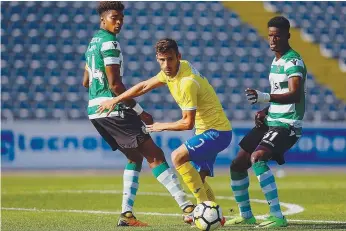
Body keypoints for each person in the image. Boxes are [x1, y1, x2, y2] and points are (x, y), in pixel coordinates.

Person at [97, 38, 232, 225]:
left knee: (177, 156)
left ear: (178, 57)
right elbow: (144, 86)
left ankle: (199, 212)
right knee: (199, 179)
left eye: (170, 59)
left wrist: (161, 126)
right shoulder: (171, 72)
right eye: (162, 60)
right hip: (208, 130)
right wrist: (116, 99)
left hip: (217, 132)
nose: (166, 65)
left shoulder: (187, 82)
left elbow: (187, 123)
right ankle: (216, 217)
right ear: (157, 59)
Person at [83, 2, 194, 227]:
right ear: (103, 19)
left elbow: (86, 82)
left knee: (135, 157)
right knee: (155, 155)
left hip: (95, 111)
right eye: (115, 17)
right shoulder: (109, 43)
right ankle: (188, 208)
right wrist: (140, 112)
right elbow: (115, 86)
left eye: (121, 18)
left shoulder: (92, 44)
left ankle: (127, 215)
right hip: (113, 108)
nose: (119, 22)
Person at [225, 16, 307, 228]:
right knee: (237, 164)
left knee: (258, 158)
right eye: (270, 35)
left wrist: (265, 97)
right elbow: (280, 94)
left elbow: (295, 94)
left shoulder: (293, 61)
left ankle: (277, 216)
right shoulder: (276, 62)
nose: (273, 40)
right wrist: (265, 110)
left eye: (277, 36)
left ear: (288, 35)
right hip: (271, 121)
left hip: (287, 125)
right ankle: (246, 215)